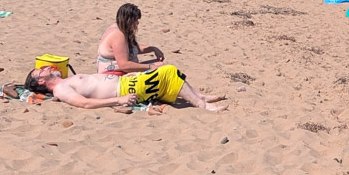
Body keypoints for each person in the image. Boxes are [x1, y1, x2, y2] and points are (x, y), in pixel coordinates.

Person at [24, 64, 227, 111]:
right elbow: (84, 103)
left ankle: (199, 96)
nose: (43, 68)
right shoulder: (60, 90)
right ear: (41, 82)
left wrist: (121, 75)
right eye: (39, 71)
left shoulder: (65, 81)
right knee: (167, 71)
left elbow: (97, 80)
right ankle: (202, 105)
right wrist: (118, 100)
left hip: (124, 82)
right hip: (123, 91)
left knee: (170, 71)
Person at [96, 3, 164, 74]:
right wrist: (150, 66)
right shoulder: (118, 35)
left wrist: (153, 49)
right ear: (129, 20)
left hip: (121, 70)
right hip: (114, 74)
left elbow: (132, 49)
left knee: (161, 65)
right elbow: (124, 66)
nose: (137, 23)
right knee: (162, 69)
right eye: (136, 20)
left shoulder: (119, 28)